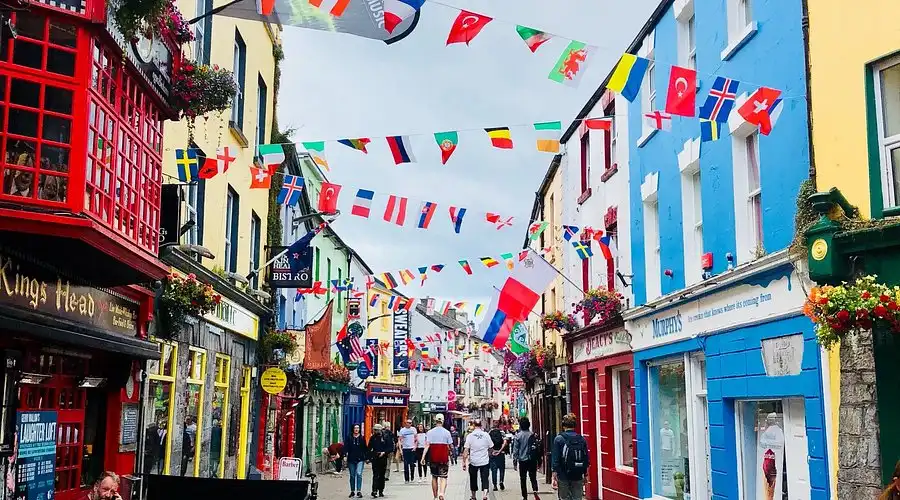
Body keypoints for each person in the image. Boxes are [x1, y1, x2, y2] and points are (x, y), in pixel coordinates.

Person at [552, 414, 589, 500]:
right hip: (578, 474)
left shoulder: (559, 439)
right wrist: (586, 474)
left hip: (563, 474)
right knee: (577, 497)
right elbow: (586, 458)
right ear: (574, 425)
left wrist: (554, 474)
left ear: (563, 425)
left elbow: (556, 459)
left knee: (564, 497)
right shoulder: (581, 439)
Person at [423, 414, 453, 500]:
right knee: (443, 477)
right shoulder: (447, 432)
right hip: (443, 458)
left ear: (435, 421)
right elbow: (451, 445)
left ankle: (435, 496)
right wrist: (452, 453)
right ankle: (442, 493)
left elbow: (427, 445)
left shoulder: (430, 432)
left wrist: (423, 457)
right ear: (442, 421)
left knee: (434, 476)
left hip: (433, 457)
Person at [512, 417, 541, 500]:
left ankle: (524, 496)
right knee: (533, 477)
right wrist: (539, 461)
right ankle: (535, 491)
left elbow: (515, 450)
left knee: (523, 479)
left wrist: (515, 462)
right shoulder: (533, 435)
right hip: (532, 459)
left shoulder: (518, 436)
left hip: (522, 460)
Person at [462, 419, 492, 500]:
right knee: (485, 478)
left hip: (473, 461)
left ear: (474, 425)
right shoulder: (486, 435)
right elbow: (491, 447)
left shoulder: (470, 436)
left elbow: (466, 450)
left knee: (473, 479)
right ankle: (485, 494)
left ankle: (474, 496)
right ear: (481, 425)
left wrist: (464, 462)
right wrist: (489, 454)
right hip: (484, 461)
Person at [367, 423, 393, 498]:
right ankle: (374, 490)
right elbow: (369, 448)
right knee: (375, 474)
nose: (375, 431)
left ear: (380, 430)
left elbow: (390, 447)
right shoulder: (373, 438)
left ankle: (381, 490)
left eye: (376, 430)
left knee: (382, 475)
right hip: (375, 457)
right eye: (374, 430)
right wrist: (369, 457)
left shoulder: (385, 437)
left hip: (383, 458)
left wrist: (384, 452)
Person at [345, 424, 367, 498]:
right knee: (352, 475)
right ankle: (352, 491)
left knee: (359, 473)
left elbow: (365, 448)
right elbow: (346, 447)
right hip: (351, 459)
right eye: (355, 428)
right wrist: (345, 455)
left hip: (360, 459)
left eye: (358, 428)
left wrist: (366, 457)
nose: (357, 429)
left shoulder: (362, 438)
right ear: (353, 429)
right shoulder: (349, 438)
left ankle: (359, 491)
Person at [489, 420, 510, 491]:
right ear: (499, 425)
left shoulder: (490, 433)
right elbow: (505, 442)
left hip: (493, 454)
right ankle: (501, 481)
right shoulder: (502, 432)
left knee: (493, 470)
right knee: (501, 469)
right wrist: (500, 450)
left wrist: (492, 451)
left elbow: (488, 444)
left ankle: (495, 485)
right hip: (501, 454)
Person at [399, 419, 418, 483]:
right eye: (408, 423)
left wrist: (415, 446)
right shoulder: (402, 430)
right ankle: (406, 479)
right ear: (405, 423)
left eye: (410, 423)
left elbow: (416, 439)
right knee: (406, 464)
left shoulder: (413, 429)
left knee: (412, 464)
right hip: (405, 448)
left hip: (412, 448)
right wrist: (400, 449)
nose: (409, 424)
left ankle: (412, 477)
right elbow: (400, 440)